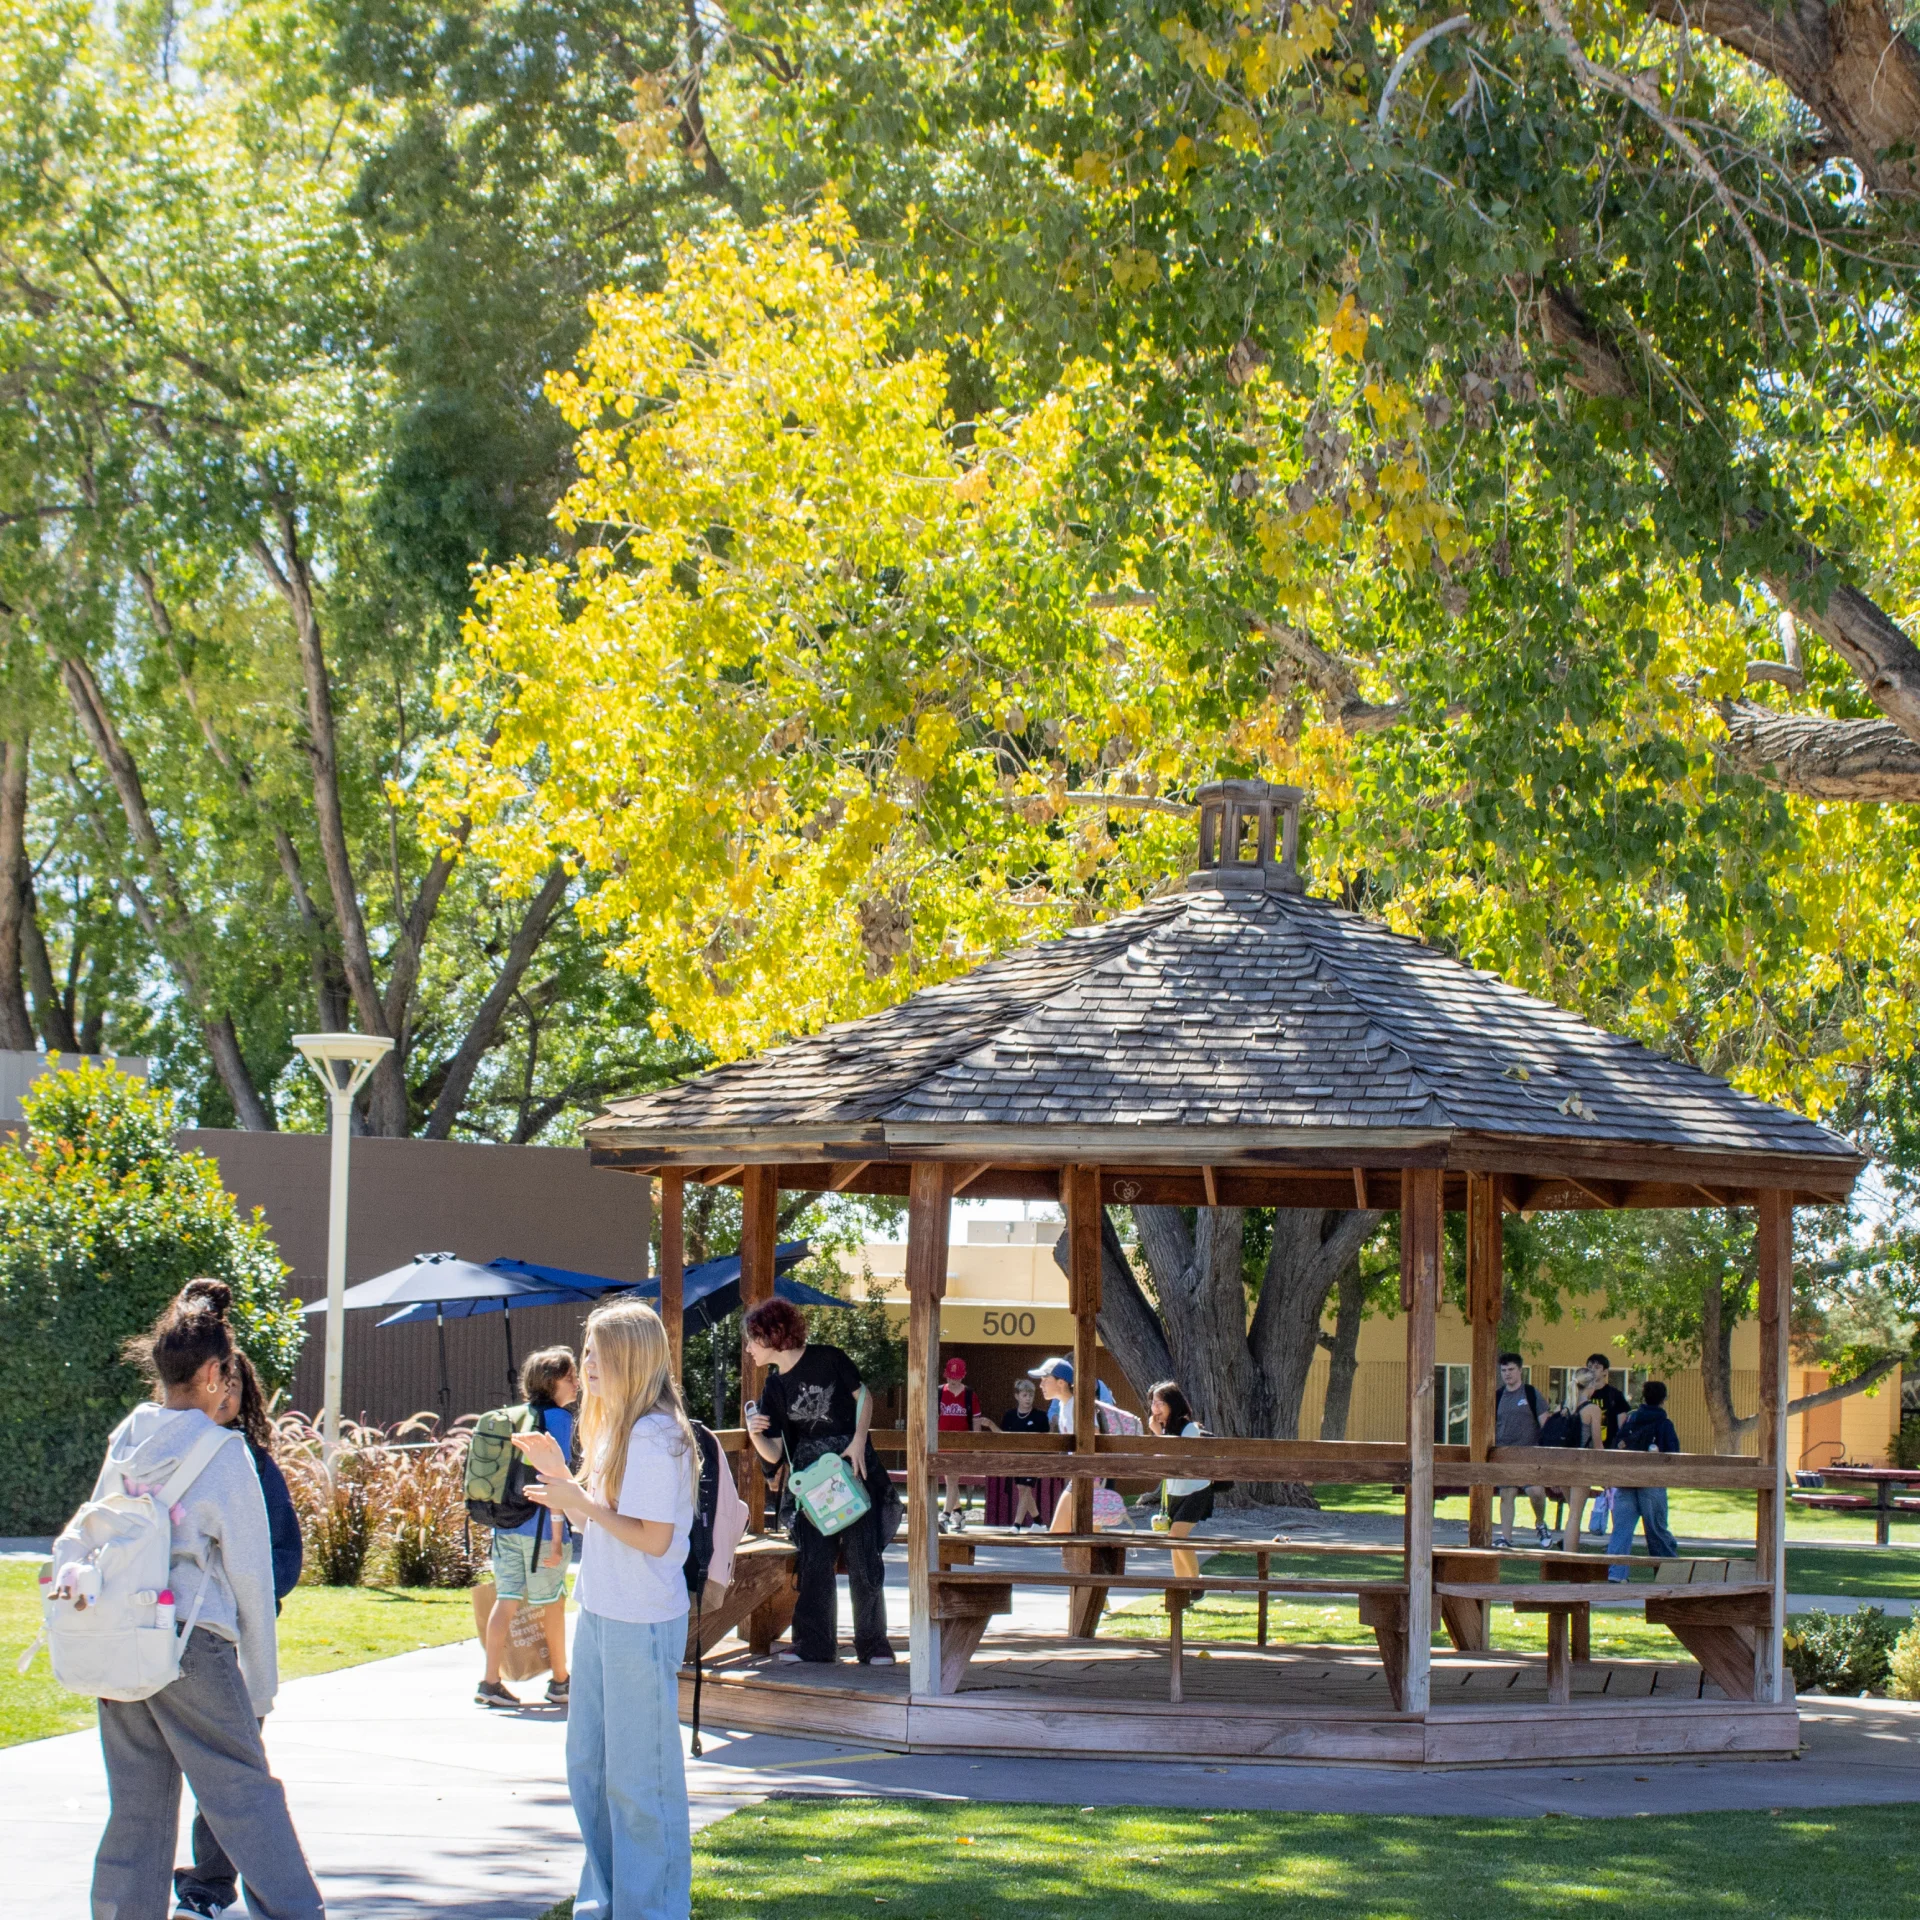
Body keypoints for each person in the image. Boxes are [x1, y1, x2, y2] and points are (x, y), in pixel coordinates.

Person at [90, 1280, 323, 1920]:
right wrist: (261, 1686)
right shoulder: (225, 1453)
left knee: (136, 1806)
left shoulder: (128, 1437)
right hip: (195, 1644)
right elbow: (251, 1580)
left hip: (122, 1638)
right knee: (246, 1797)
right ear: (221, 1371)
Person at [512, 1300, 696, 1920]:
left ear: (631, 1357)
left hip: (640, 1621)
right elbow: (610, 1528)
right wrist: (566, 1482)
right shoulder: (619, 1426)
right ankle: (606, 1902)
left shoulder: (654, 1433)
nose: (585, 1363)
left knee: (639, 1782)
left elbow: (654, 1538)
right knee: (589, 1768)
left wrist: (577, 1500)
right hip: (602, 1611)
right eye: (585, 1351)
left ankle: (651, 1909)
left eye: (596, 1352)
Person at [172, 1352, 305, 1920]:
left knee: (229, 1774)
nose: (218, 1399)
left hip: (226, 1640)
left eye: (231, 1390)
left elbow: (283, 1557)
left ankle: (209, 1883)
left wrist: (245, 1606)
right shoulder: (160, 1449)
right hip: (157, 1635)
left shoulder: (249, 1461)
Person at [742, 1298, 893, 1665]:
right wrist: (754, 1433)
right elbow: (775, 1453)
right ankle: (814, 1644)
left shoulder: (829, 1358)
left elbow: (864, 1397)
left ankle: (873, 1645)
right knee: (813, 1560)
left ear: (771, 1335)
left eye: (752, 1339)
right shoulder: (774, 1388)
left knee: (863, 1557)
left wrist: (859, 1441)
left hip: (852, 1471)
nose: (748, 1348)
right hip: (811, 1484)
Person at [477, 1346, 581, 1710]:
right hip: (541, 1531)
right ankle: (561, 1680)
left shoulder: (512, 1416)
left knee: (506, 1601)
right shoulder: (559, 1419)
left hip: (504, 1528)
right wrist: (557, 1538)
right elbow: (554, 1479)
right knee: (552, 1603)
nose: (577, 1382)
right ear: (553, 1382)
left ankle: (490, 1681)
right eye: (570, 1377)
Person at [1607, 1380, 1682, 1579]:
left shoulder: (1631, 1420)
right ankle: (1668, 1573)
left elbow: (1616, 1445)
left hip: (1626, 1481)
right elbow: (1673, 1453)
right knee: (1656, 1530)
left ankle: (1616, 1574)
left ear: (1643, 1398)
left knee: (1621, 1531)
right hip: (1652, 1483)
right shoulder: (1664, 1424)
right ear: (1664, 1399)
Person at [1563, 1354, 1629, 1549]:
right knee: (1576, 1516)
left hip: (1563, 1463)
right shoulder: (1592, 1409)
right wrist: (1604, 1472)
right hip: (1581, 1464)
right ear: (1590, 1386)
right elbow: (1597, 1443)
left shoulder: (1566, 1407)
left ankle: (1568, 1552)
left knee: (1572, 1513)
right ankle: (1570, 1557)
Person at [1148, 1382, 1209, 1580]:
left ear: (1173, 1404)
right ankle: (1181, 1588)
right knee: (1174, 1540)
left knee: (1177, 1536)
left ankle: (1196, 1583)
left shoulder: (1190, 1428)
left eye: (1160, 1404)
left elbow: (1180, 1459)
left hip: (1196, 1491)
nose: (1156, 1409)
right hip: (1174, 1493)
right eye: (1154, 1404)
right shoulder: (1164, 1430)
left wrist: (1157, 1434)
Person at [1490, 1354, 1550, 1549]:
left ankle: (1540, 1524)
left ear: (1520, 1370)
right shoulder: (1497, 1396)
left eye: (1511, 1370)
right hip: (1504, 1454)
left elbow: (1546, 1425)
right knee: (1507, 1493)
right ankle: (1505, 1538)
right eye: (1504, 1370)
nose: (1507, 1374)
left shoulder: (1531, 1394)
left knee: (1536, 1492)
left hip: (1529, 1455)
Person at [982, 1375, 1052, 1529]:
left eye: (1031, 1395)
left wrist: (1044, 1461)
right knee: (1021, 1490)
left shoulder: (1040, 1416)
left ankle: (1016, 1525)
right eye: (1025, 1395)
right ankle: (1039, 1522)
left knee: (1026, 1489)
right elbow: (1003, 1437)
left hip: (1034, 1460)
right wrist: (990, 1425)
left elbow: (1046, 1441)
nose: (1028, 1398)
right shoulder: (1010, 1415)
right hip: (1016, 1458)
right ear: (1017, 1396)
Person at [937, 1356, 986, 1531]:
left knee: (952, 1478)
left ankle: (945, 1516)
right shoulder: (939, 1393)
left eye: (957, 1376)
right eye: (951, 1376)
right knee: (950, 1480)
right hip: (942, 1444)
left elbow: (976, 1421)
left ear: (963, 1376)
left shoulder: (970, 1395)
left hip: (961, 1444)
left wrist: (976, 1446)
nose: (953, 1380)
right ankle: (958, 1514)